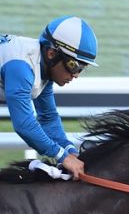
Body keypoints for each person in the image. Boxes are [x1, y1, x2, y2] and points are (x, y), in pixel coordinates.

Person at [0, 16, 99, 180]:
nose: (75, 75)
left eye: (82, 68)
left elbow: (48, 118)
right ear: (52, 53)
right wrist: (63, 157)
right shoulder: (21, 68)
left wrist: (70, 151)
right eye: (74, 65)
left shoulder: (43, 68)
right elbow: (24, 124)